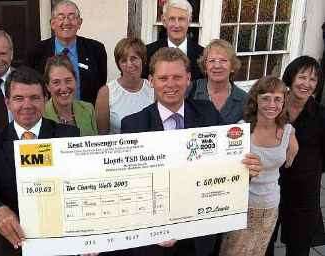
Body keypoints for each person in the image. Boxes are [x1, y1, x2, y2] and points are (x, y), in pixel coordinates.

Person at [120, 47, 262, 256]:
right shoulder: (133, 125)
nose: (170, 84)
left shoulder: (208, 113)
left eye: (177, 77)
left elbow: (229, 164)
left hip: (198, 237)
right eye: (163, 78)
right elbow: (130, 185)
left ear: (188, 79)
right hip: (155, 240)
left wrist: (245, 171)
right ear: (151, 81)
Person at [0, 67, 79, 255]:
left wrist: (92, 235)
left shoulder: (68, 135)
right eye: (19, 98)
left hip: (61, 244)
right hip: (14, 244)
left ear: (45, 99)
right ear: (7, 103)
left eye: (34, 97)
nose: (27, 105)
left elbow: (83, 184)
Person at [220, 76, 297, 256]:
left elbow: (290, 157)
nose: (272, 104)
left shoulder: (288, 132)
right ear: (256, 99)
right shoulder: (241, 130)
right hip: (241, 204)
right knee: (231, 251)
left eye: (277, 99)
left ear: (284, 101)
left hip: (270, 205)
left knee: (257, 251)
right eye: (265, 98)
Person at [266, 56, 325, 256]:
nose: (307, 84)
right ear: (291, 77)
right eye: (302, 77)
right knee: (265, 243)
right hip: (270, 187)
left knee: (299, 247)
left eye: (313, 80)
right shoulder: (274, 107)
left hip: (304, 193)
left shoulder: (321, 115)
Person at [26, 0, 107, 105]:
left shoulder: (96, 50)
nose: (66, 22)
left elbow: (101, 86)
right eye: (61, 17)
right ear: (52, 23)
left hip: (85, 116)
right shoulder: (36, 52)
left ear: (79, 23)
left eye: (72, 17)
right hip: (48, 117)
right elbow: (30, 87)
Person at [95, 37, 154, 135]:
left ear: (143, 60)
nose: (129, 64)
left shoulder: (153, 89)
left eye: (133, 58)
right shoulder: (106, 93)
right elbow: (102, 134)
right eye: (123, 60)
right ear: (118, 65)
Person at [188, 39, 247, 124]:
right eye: (212, 61)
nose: (217, 66)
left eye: (223, 60)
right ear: (205, 67)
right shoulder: (189, 91)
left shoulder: (244, 100)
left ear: (232, 66)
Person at [143, 0, 204, 80]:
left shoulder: (202, 54)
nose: (177, 25)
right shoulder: (147, 53)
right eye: (172, 19)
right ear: (164, 21)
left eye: (181, 19)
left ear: (189, 21)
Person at [43, 54, 98, 136]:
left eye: (68, 80)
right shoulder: (40, 115)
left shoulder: (88, 109)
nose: (64, 88)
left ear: (76, 81)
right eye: (56, 82)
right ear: (48, 87)